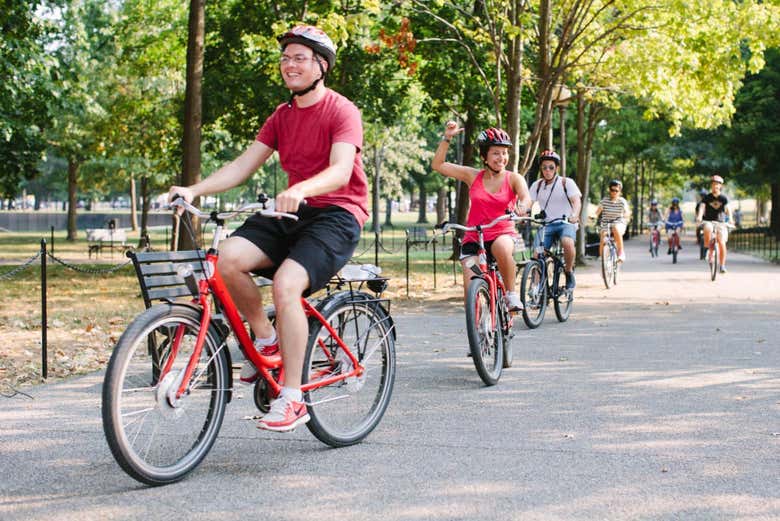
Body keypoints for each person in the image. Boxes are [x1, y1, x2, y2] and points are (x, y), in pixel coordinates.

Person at [168, 25, 367, 432]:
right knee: (226, 259)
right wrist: (194, 189)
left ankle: (293, 398)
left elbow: (341, 170)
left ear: (321, 66)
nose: (289, 65)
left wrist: (301, 190)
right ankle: (265, 338)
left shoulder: (341, 110)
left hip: (336, 213)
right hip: (290, 211)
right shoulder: (281, 116)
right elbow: (243, 165)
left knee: (287, 284)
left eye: (299, 58)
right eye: (285, 58)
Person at [432, 122, 531, 310]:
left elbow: (526, 197)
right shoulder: (473, 176)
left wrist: (523, 205)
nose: (501, 157)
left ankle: (511, 295)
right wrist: (447, 138)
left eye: (504, 153)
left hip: (502, 234)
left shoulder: (513, 178)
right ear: (484, 156)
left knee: (502, 248)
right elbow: (438, 165)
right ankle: (480, 331)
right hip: (474, 238)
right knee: (471, 295)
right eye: (495, 153)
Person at [527, 150, 582, 290]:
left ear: (556, 168)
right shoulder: (537, 185)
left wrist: (574, 215)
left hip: (566, 223)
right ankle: (536, 289)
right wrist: (523, 212)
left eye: (551, 167)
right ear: (541, 169)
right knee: (537, 254)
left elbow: (576, 201)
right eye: (544, 167)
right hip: (547, 225)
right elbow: (529, 203)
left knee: (567, 242)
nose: (547, 170)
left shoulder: (566, 183)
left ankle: (569, 272)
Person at [697, 174, 733, 273]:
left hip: (720, 222)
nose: (715, 186)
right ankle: (709, 247)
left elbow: (728, 209)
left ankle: (722, 265)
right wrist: (699, 216)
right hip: (709, 221)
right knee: (707, 228)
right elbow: (702, 207)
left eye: (717, 184)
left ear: (720, 186)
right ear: (711, 186)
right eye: (713, 184)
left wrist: (730, 219)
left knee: (721, 242)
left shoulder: (723, 198)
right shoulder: (707, 198)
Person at [594, 179, 630, 262]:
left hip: (619, 222)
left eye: (616, 190)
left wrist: (626, 215)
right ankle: (603, 258)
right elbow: (597, 212)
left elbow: (627, 212)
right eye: (612, 190)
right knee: (603, 236)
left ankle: (621, 253)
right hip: (606, 223)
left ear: (619, 191)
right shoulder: (604, 201)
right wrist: (593, 216)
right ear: (609, 190)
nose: (614, 192)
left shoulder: (622, 201)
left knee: (615, 228)